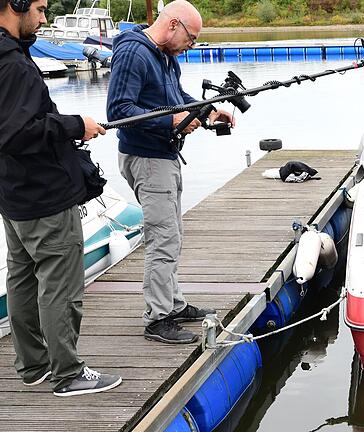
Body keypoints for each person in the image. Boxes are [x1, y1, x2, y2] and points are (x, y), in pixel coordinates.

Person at [0, 0, 122, 396]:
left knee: (22, 280)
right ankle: (67, 373)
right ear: (15, 5)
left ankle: (34, 366)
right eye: (38, 7)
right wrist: (77, 124)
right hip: (43, 197)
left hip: (13, 195)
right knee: (60, 285)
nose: (44, 18)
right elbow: (19, 133)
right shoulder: (13, 64)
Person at [107, 0, 235, 344]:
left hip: (163, 156)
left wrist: (206, 113)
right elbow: (119, 110)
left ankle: (173, 304)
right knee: (162, 237)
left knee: (172, 232)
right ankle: (158, 318)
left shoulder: (163, 56)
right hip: (147, 158)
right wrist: (171, 120)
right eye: (190, 39)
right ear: (173, 25)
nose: (190, 47)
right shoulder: (134, 53)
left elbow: (176, 96)